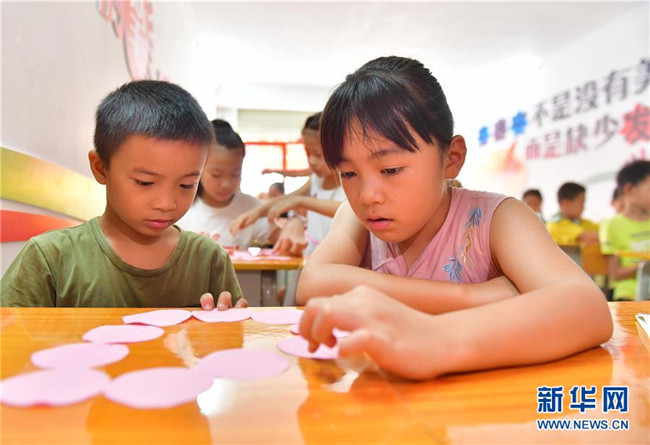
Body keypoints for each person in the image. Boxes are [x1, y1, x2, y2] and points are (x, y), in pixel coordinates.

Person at [293, 56, 611, 380]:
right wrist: (473, 297)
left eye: (390, 169)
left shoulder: (499, 218)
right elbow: (314, 283)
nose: (367, 196)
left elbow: (587, 308)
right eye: (348, 173)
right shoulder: (356, 218)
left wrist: (436, 337)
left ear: (451, 158)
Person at [1, 80, 246, 310]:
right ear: (101, 168)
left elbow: (234, 335)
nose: (166, 204)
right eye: (145, 182)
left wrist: (229, 326)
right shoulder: (50, 258)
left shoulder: (209, 259)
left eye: (186, 185)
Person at [230, 112, 346, 256]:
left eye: (318, 154)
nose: (311, 161)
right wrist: (255, 213)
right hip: (312, 257)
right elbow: (286, 199)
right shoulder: (316, 180)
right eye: (307, 153)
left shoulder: (348, 183)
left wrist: (300, 201)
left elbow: (345, 209)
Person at [176, 121, 278, 249]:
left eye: (235, 174)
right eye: (216, 175)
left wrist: (294, 223)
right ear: (198, 167)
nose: (226, 184)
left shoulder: (250, 208)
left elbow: (284, 238)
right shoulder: (181, 207)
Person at [599, 160, 650, 301]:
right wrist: (644, 267)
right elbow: (616, 273)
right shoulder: (612, 225)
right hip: (630, 295)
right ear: (630, 189)